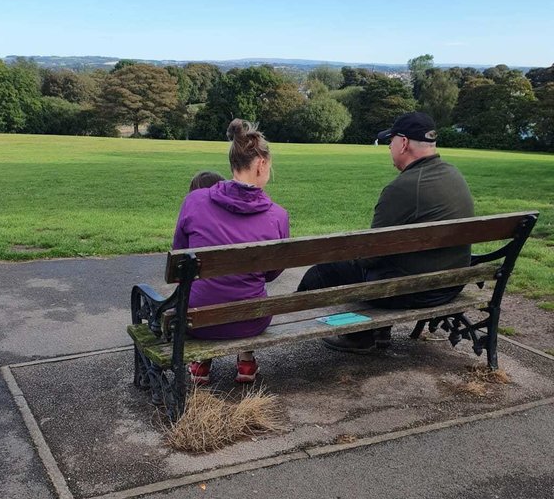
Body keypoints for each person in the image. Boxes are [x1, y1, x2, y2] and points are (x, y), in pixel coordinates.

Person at [298, 111, 475, 353]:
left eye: (390, 141)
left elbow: (371, 256)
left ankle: (352, 335)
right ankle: (372, 331)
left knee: (324, 271)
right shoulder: (454, 175)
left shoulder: (402, 188)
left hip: (413, 292)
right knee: (370, 267)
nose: (388, 147)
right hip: (451, 284)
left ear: (403, 143)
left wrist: (347, 252)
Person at [173, 119, 290, 384]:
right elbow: (271, 274)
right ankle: (246, 362)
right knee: (248, 290)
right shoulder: (278, 216)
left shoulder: (194, 201)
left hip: (198, 321)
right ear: (261, 164)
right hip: (251, 321)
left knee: (205, 292)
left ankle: (201, 365)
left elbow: (180, 261)